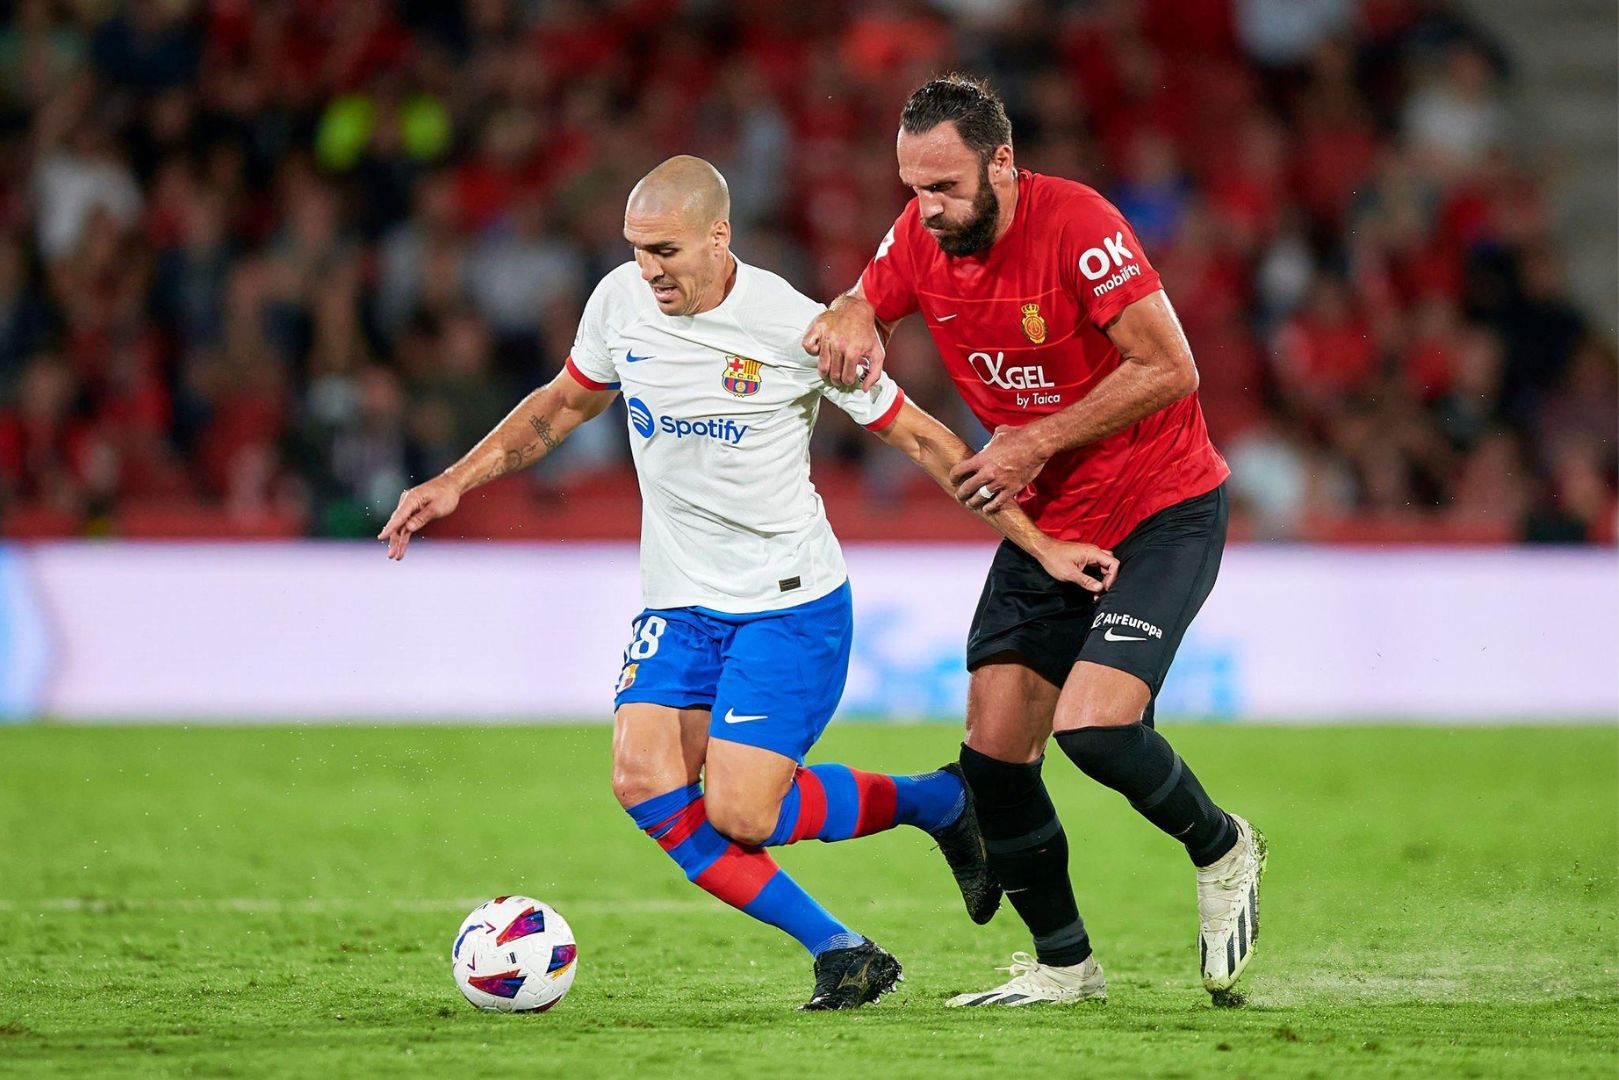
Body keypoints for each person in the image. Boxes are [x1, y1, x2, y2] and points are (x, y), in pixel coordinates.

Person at [377, 155, 1121, 1011]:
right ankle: (841, 950)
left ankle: (937, 802)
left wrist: (1038, 543)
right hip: (679, 603)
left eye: (664, 249)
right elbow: (560, 405)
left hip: (788, 605)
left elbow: (919, 438)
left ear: (718, 236)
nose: (647, 268)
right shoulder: (619, 302)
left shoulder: (796, 328)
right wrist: (454, 480)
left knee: (740, 814)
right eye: (635, 248)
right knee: (641, 780)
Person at [804, 76, 1267, 1007]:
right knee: (994, 755)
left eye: (944, 187)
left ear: (1002, 162)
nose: (924, 210)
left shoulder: (1078, 229)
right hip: (1046, 524)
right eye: (910, 189)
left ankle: (1223, 847)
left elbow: (1172, 367)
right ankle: (1065, 967)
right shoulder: (918, 233)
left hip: (1160, 506)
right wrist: (854, 306)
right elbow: (870, 291)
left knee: (1094, 727)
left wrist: (1035, 437)